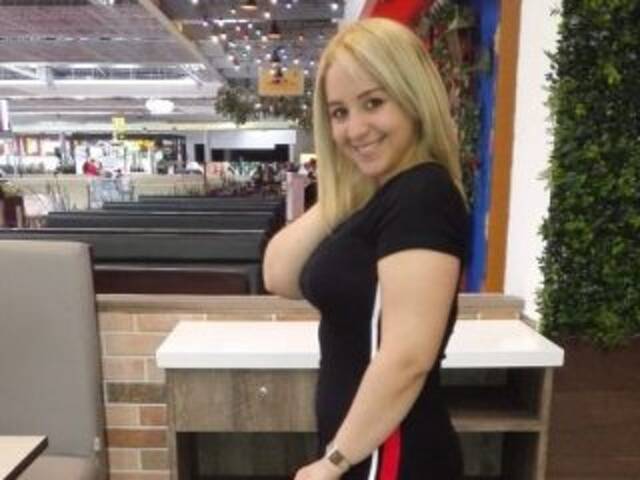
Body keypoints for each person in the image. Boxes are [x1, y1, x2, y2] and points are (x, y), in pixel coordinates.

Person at [263, 18, 469, 480]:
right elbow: (279, 274)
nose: (354, 129)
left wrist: (333, 462)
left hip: (386, 453)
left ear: (412, 98)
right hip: (364, 447)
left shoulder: (422, 196)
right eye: (339, 113)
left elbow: (407, 358)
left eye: (373, 103)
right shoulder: (382, 195)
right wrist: (347, 186)